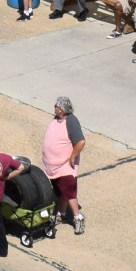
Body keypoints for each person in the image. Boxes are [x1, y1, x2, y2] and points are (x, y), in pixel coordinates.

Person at [44, 96, 86, 235]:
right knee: (60, 192)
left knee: (69, 193)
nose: (54, 107)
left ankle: (78, 218)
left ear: (61, 110)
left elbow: (80, 142)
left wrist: (72, 156)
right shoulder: (56, 119)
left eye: (56, 106)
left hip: (65, 166)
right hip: (54, 167)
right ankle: (62, 214)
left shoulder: (71, 121)